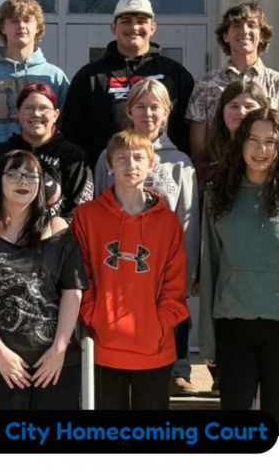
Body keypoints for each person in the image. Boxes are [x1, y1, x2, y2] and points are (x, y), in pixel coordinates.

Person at [198, 107, 279, 432]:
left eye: (270, 141)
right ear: (240, 143)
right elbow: (209, 267)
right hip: (233, 326)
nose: (260, 149)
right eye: (253, 139)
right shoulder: (217, 195)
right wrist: (207, 340)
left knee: (277, 429)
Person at [91, 79, 199, 397]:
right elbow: (98, 206)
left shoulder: (180, 162)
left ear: (167, 113)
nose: (148, 113)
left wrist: (189, 268)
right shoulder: (108, 157)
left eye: (155, 107)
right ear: (129, 111)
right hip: (119, 263)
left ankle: (178, 368)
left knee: (170, 310)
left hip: (165, 263)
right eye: (141, 106)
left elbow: (188, 218)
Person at [0, 150, 87, 410]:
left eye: (31, 175)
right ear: (0, 181)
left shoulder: (60, 232)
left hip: (56, 361)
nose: (23, 182)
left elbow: (72, 292)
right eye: (13, 174)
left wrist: (59, 349)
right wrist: (1, 354)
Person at [72, 129, 189, 410]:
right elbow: (78, 276)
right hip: (103, 345)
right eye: (121, 158)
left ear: (151, 165)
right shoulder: (88, 216)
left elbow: (176, 284)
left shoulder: (168, 221)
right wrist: (94, 316)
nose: (130, 165)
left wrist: (159, 324)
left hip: (155, 346)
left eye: (138, 158)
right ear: (109, 166)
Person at [59, 0, 196, 164]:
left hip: (165, 171)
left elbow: (189, 129)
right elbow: (72, 131)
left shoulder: (174, 74)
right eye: (126, 21)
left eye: (141, 21)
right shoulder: (90, 76)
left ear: (153, 28)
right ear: (113, 28)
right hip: (106, 172)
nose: (134, 27)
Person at [186, 1, 279, 156]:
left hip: (266, 173)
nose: (244, 31)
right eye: (236, 26)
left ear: (261, 35)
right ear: (226, 36)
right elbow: (198, 144)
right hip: (219, 172)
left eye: (251, 25)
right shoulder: (205, 84)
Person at [0, 0, 70, 158]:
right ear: (2, 28)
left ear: (38, 27)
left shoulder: (55, 77)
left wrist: (46, 151)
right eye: (14, 21)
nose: (21, 26)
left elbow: (67, 125)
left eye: (27, 20)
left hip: (45, 168)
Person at [0, 82, 93, 221]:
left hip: (60, 238)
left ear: (56, 114)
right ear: (18, 114)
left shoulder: (73, 156)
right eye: (28, 109)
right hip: (9, 236)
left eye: (44, 108)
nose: (36, 114)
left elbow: (80, 208)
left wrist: (57, 233)